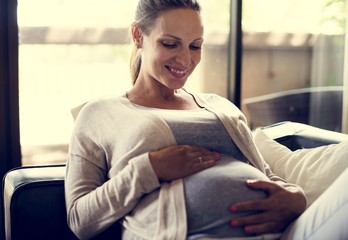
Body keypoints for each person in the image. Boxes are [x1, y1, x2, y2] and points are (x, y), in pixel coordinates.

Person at [65, 0, 347, 239]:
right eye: (171, 44)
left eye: (195, 46)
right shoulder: (99, 114)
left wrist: (296, 197)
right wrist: (148, 170)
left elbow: (264, 172)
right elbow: (80, 219)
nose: (185, 59)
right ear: (138, 36)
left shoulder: (219, 105)